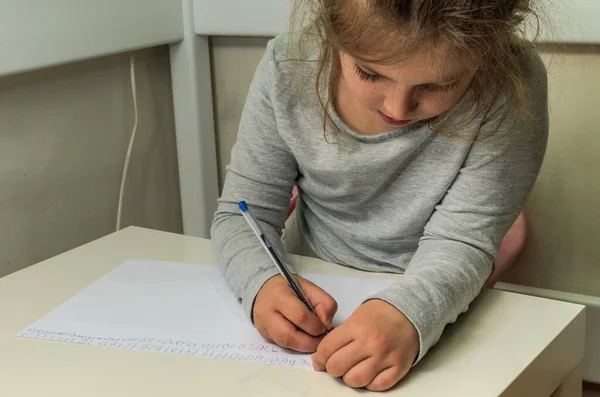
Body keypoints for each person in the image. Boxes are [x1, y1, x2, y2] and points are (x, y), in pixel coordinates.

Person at [211, 0, 548, 391]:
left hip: (437, 306)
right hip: (312, 296)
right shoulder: (288, 67)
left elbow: (463, 242)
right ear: (334, 34)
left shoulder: (511, 81)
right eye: (369, 73)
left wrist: (406, 313)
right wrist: (262, 283)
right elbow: (242, 216)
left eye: (437, 85)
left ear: (486, 54)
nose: (397, 107)